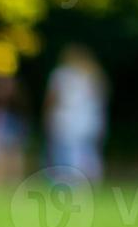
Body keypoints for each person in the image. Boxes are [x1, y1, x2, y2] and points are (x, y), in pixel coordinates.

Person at [45, 45, 108, 180]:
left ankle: (70, 178)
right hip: (90, 119)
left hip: (65, 119)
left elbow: (53, 98)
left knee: (67, 151)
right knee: (87, 150)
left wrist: (47, 116)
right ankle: (91, 177)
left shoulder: (61, 74)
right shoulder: (93, 75)